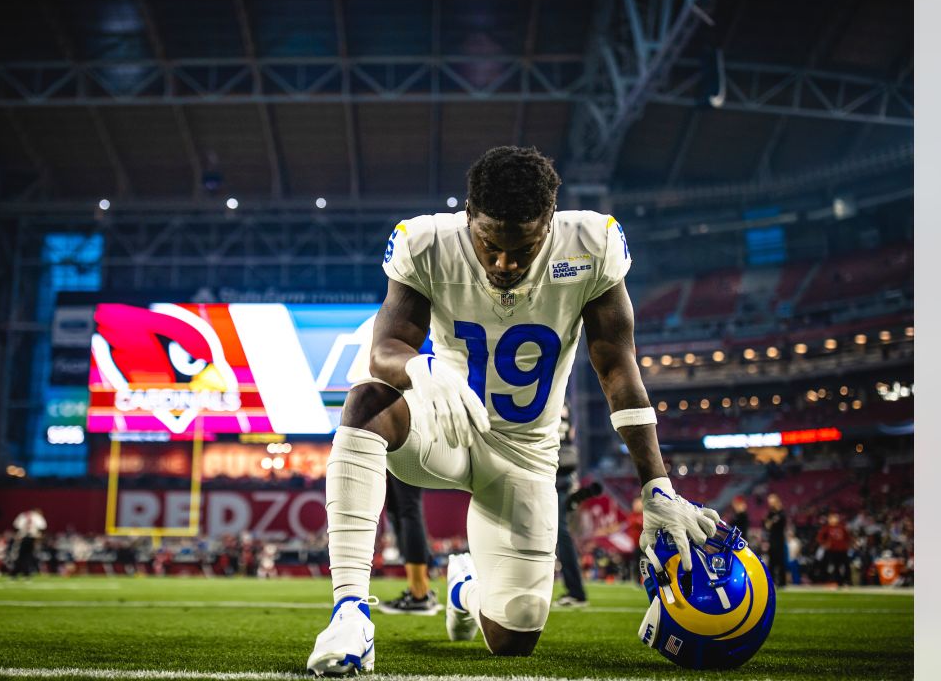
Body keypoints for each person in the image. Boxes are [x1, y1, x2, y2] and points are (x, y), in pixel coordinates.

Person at [307, 146, 723, 674]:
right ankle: (350, 614)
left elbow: (617, 368)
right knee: (367, 398)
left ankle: (465, 587)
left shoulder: (591, 246)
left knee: (514, 636)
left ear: (549, 223)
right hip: (449, 426)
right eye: (489, 244)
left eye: (522, 247)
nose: (505, 263)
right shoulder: (428, 243)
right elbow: (385, 349)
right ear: (468, 219)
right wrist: (421, 371)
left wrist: (656, 485)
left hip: (528, 453)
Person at [380, 474, 442, 615]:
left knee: (408, 508)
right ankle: (419, 589)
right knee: (396, 509)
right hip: (395, 452)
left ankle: (419, 593)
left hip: (404, 452)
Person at [553, 405, 587, 607]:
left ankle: (576, 591)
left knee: (561, 533)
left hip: (552, 473)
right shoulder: (566, 408)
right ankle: (575, 590)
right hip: (564, 475)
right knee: (560, 532)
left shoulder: (548, 396)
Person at [816, 512, 852, 586]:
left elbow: (848, 537)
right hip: (832, 550)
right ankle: (839, 581)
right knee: (836, 566)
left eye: (834, 518)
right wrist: (825, 544)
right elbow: (819, 538)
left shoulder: (842, 527)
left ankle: (848, 580)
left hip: (842, 550)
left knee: (846, 565)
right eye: (831, 518)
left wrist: (847, 545)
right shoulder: (827, 528)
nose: (833, 520)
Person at [10, 507, 46, 579]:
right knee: (27, 556)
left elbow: (16, 526)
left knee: (22, 556)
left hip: (22, 537)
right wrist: (39, 536)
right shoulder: (37, 516)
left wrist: (18, 535)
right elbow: (42, 527)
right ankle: (24, 573)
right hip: (31, 537)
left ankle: (17, 573)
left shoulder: (23, 515)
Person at [762, 493, 788, 587]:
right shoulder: (771, 513)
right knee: (771, 561)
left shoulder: (781, 513)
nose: (771, 504)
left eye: (772, 502)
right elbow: (766, 525)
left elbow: (776, 524)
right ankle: (771, 582)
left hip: (779, 539)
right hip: (772, 539)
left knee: (780, 561)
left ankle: (782, 582)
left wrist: (771, 523)